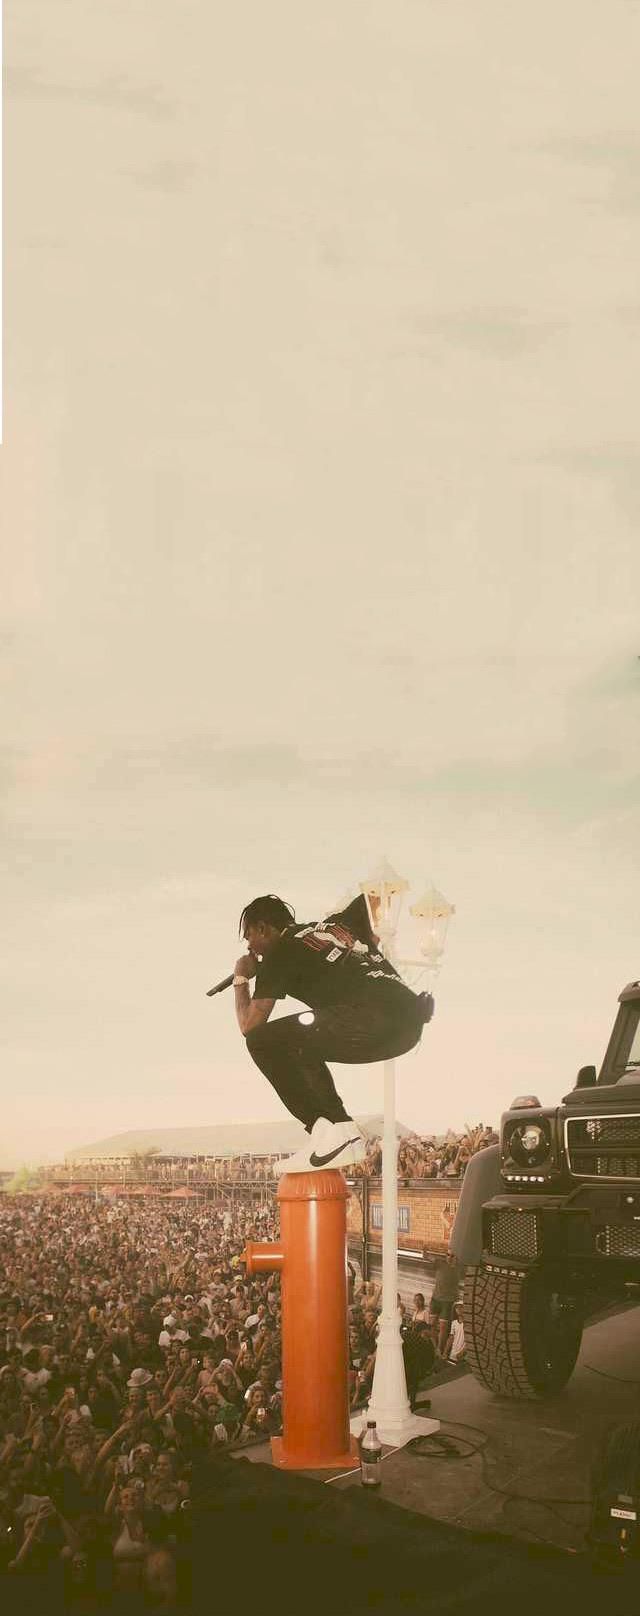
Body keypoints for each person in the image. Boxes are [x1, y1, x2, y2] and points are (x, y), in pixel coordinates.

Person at [232, 893, 434, 1175]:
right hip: (409, 1023)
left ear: (263, 928)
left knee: (264, 1042)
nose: (251, 947)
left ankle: (328, 1127)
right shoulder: (335, 925)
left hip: (368, 1018)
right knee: (301, 1041)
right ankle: (337, 1132)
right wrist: (372, 943)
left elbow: (249, 1026)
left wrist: (241, 977)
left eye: (249, 936)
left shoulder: (280, 949)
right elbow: (375, 895)